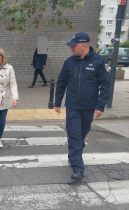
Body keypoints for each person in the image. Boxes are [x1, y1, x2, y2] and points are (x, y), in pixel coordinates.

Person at [54, 32, 111, 179]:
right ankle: (78, 168)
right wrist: (57, 102)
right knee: (74, 135)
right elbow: (61, 83)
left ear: (84, 45)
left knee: (81, 135)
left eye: (74, 46)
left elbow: (106, 85)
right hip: (72, 106)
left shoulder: (99, 61)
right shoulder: (69, 62)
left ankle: (73, 156)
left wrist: (100, 106)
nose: (71, 48)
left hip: (89, 107)